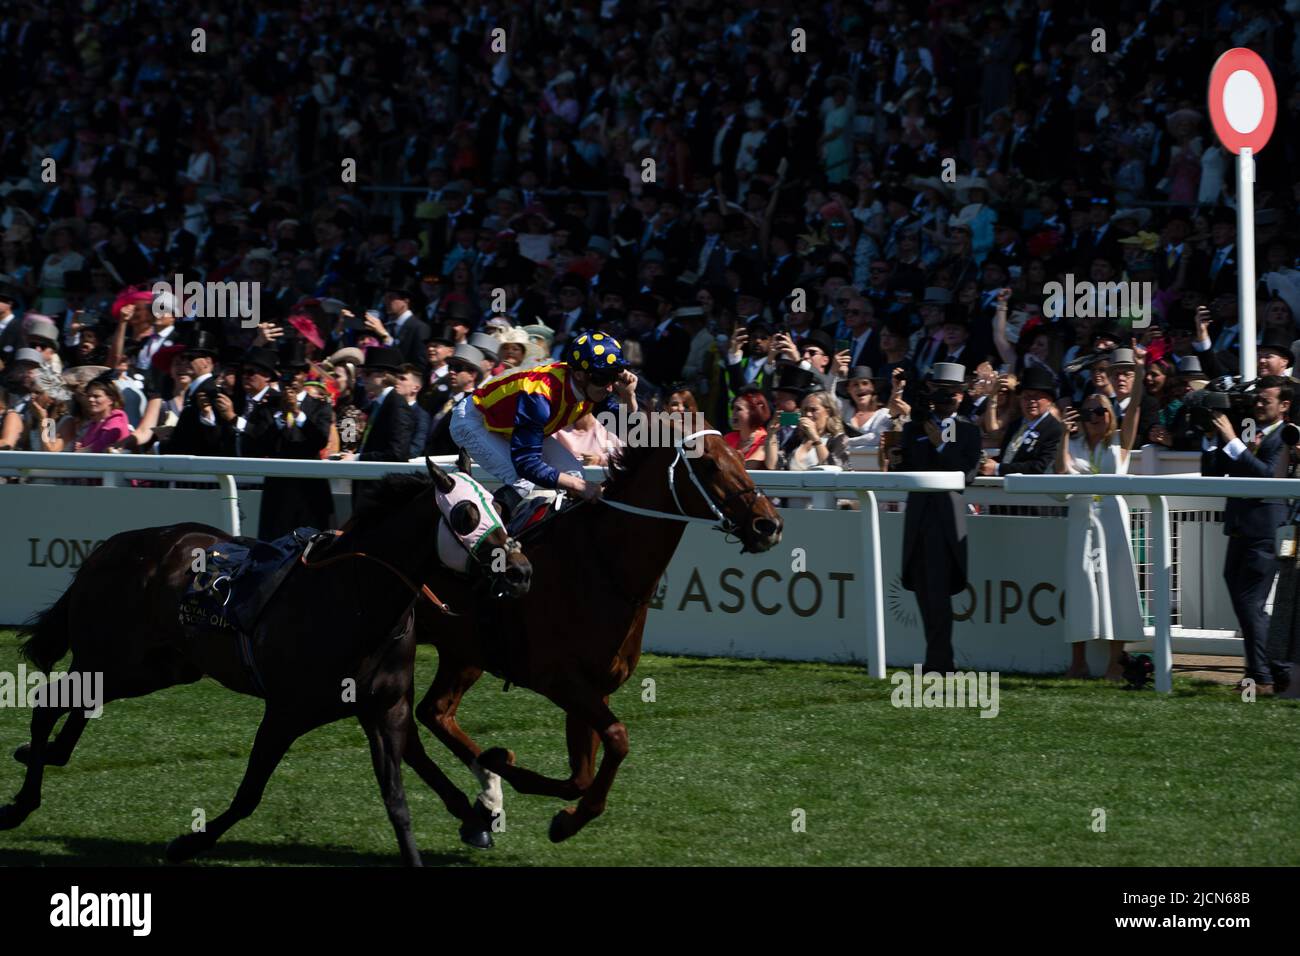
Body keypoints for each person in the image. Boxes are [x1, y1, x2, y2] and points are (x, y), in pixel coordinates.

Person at [450, 331, 638, 516]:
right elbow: (526, 463)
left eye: (615, 376)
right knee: (521, 480)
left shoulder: (590, 385)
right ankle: (485, 539)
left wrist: (629, 396)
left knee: (576, 474)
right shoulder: (540, 396)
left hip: (512, 426)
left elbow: (630, 432)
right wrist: (579, 486)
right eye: (604, 378)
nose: (610, 387)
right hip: (474, 421)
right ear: (580, 375)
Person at [1201, 375, 1294, 695]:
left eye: (1264, 400)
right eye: (1256, 400)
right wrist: (1213, 438)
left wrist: (1232, 440)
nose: (1257, 404)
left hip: (1267, 530)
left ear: (1284, 406)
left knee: (1249, 602)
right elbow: (1212, 473)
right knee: (1247, 606)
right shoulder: (1248, 431)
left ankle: (1262, 677)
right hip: (1240, 528)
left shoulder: (1287, 436)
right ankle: (1277, 668)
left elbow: (1269, 477)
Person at [1056, 368, 1146, 680]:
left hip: (1112, 521)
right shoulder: (1076, 444)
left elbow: (1134, 408)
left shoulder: (1119, 443)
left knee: (1115, 586)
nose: (1093, 417)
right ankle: (1077, 663)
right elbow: (1060, 475)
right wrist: (1064, 435)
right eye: (1088, 412)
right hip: (1081, 519)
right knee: (1080, 585)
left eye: (1099, 411)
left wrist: (1141, 369)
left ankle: (1114, 663)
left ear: (1110, 415)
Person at [896, 363, 983, 674]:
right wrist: (893, 443)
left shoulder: (969, 430)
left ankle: (939, 661)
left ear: (961, 396)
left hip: (945, 521)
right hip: (917, 517)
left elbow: (967, 473)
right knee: (923, 592)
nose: (944, 400)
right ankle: (937, 658)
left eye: (950, 394)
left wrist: (941, 443)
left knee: (938, 594)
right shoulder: (914, 427)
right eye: (938, 392)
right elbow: (898, 468)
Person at [979, 366, 1064, 476]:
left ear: (1049, 400)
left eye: (1037, 396)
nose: (1031, 401)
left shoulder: (1055, 429)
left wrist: (998, 468)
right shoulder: (1015, 425)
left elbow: (1041, 466)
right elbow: (1008, 458)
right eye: (1026, 396)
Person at [838, 366, 892, 449]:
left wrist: (845, 441)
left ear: (872, 387)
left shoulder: (884, 414)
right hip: (843, 460)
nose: (860, 388)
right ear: (848, 389)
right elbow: (828, 394)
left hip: (870, 460)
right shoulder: (845, 409)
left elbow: (876, 438)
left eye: (865, 383)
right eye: (855, 384)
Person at [724, 387, 771, 469]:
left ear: (754, 413)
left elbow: (749, 467)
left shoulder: (764, 439)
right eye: (733, 408)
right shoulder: (728, 438)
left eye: (738, 409)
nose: (733, 413)